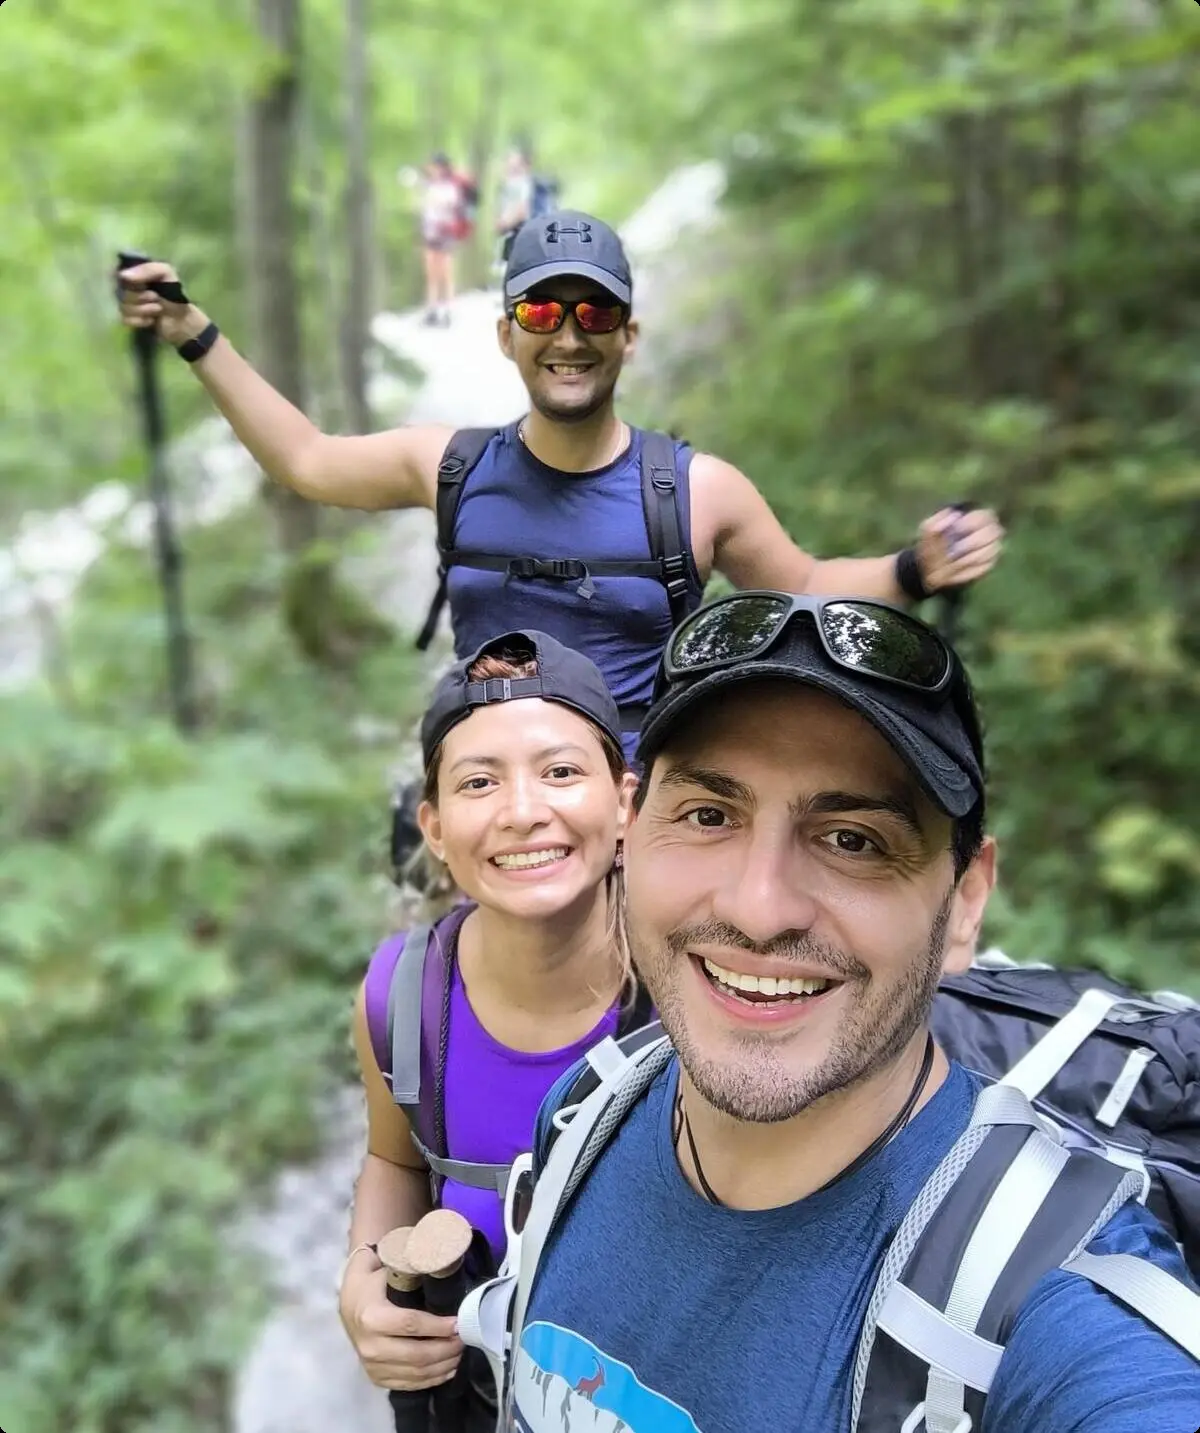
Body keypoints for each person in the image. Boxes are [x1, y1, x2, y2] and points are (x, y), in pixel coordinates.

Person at [498, 593, 1200, 1431]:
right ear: (630, 832)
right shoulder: (590, 1109)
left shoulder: (1047, 1300)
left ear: (965, 903)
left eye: (853, 840)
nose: (760, 909)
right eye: (709, 815)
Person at [116, 213, 1004, 765]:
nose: (570, 336)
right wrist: (194, 332)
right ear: (507, 334)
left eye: (596, 312)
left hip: (634, 811)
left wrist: (915, 569)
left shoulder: (694, 492)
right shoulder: (450, 467)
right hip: (491, 802)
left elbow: (804, 585)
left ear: (628, 336)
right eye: (543, 311)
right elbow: (306, 460)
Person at [338, 629, 653, 1429]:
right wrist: (363, 1277)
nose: (522, 812)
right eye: (479, 782)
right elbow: (394, 1158)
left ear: (625, 803)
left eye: (560, 772)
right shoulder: (402, 996)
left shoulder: (692, 987)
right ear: (435, 827)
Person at [419, 152, 463, 327]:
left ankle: (448, 310)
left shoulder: (449, 187)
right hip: (430, 234)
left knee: (445, 273)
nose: (432, 170)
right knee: (431, 273)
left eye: (435, 166)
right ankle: (432, 309)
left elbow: (450, 206)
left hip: (445, 234)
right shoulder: (429, 186)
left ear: (442, 168)